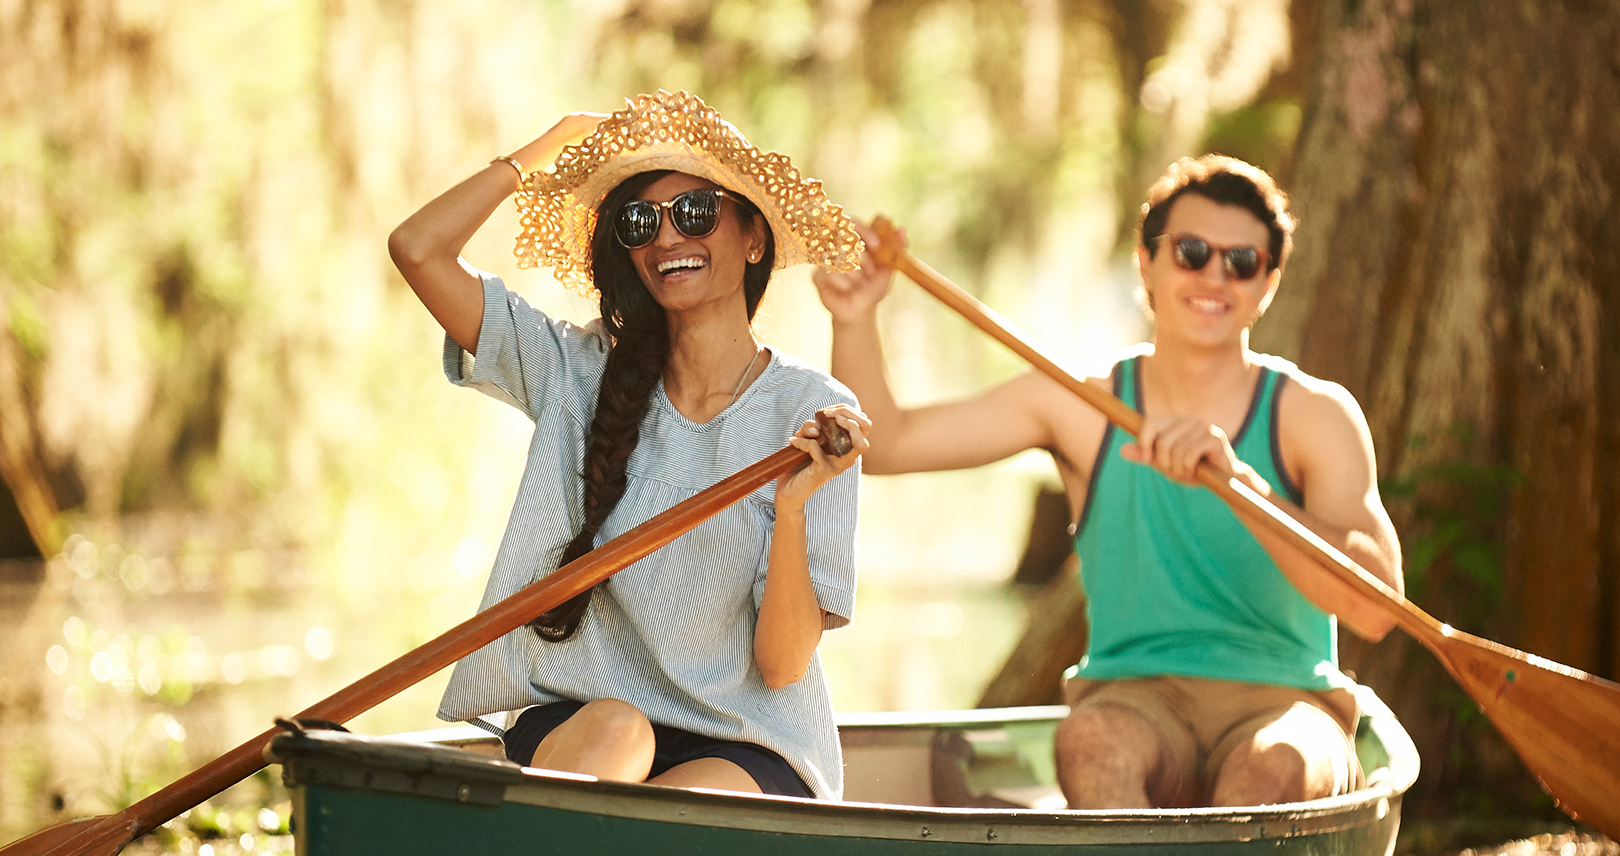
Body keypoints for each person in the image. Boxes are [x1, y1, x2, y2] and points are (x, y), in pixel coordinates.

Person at [814, 155, 1403, 809]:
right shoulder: (1081, 406)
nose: (1215, 276)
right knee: (1091, 742)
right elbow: (889, 443)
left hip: (1287, 703)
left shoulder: (1314, 416)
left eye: (1241, 262)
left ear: (1268, 281)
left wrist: (1244, 486)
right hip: (1134, 695)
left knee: (1273, 768)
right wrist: (853, 318)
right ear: (1146, 263)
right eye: (1192, 252)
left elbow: (1376, 609)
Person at [389, 89, 869, 800]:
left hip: (743, 739)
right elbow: (417, 249)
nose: (668, 239)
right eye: (641, 223)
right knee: (621, 736)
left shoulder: (810, 414)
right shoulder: (575, 372)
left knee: (684, 809)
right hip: (588, 723)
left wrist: (794, 505)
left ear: (754, 238)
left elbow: (781, 666)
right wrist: (538, 155)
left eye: (696, 213)